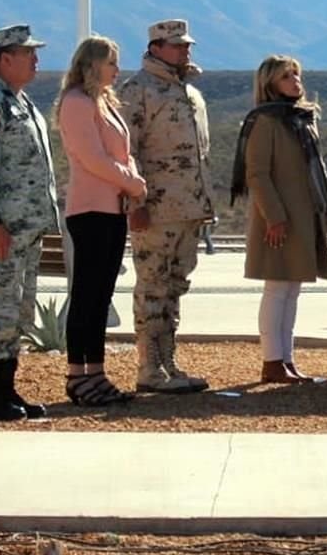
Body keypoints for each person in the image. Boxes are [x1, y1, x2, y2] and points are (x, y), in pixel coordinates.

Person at [0, 24, 59, 420]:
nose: (36, 59)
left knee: (18, 311)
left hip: (27, 227)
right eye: (28, 53)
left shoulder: (22, 103)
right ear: (6, 59)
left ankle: (7, 390)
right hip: (4, 228)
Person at [117, 19, 214, 394]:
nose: (184, 51)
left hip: (188, 208)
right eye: (176, 45)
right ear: (156, 47)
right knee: (152, 286)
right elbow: (128, 151)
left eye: (186, 45)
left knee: (175, 286)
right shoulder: (138, 90)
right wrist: (135, 203)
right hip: (155, 210)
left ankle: (168, 362)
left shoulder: (189, 92)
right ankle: (148, 366)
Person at [230, 55, 327, 383]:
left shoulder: (302, 119)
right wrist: (274, 216)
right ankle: (271, 361)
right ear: (271, 84)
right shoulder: (266, 121)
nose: (295, 81)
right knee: (277, 288)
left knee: (293, 289)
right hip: (279, 218)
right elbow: (257, 174)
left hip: (304, 216)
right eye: (287, 76)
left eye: (296, 74)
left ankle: (286, 360)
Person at [55, 36, 147, 405]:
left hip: (112, 208)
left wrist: (132, 185)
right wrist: (132, 183)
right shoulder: (77, 104)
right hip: (90, 209)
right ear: (92, 64)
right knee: (87, 296)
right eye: (111, 62)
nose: (117, 69)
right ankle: (79, 375)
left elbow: (122, 151)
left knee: (101, 296)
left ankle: (96, 371)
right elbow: (92, 158)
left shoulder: (103, 103)